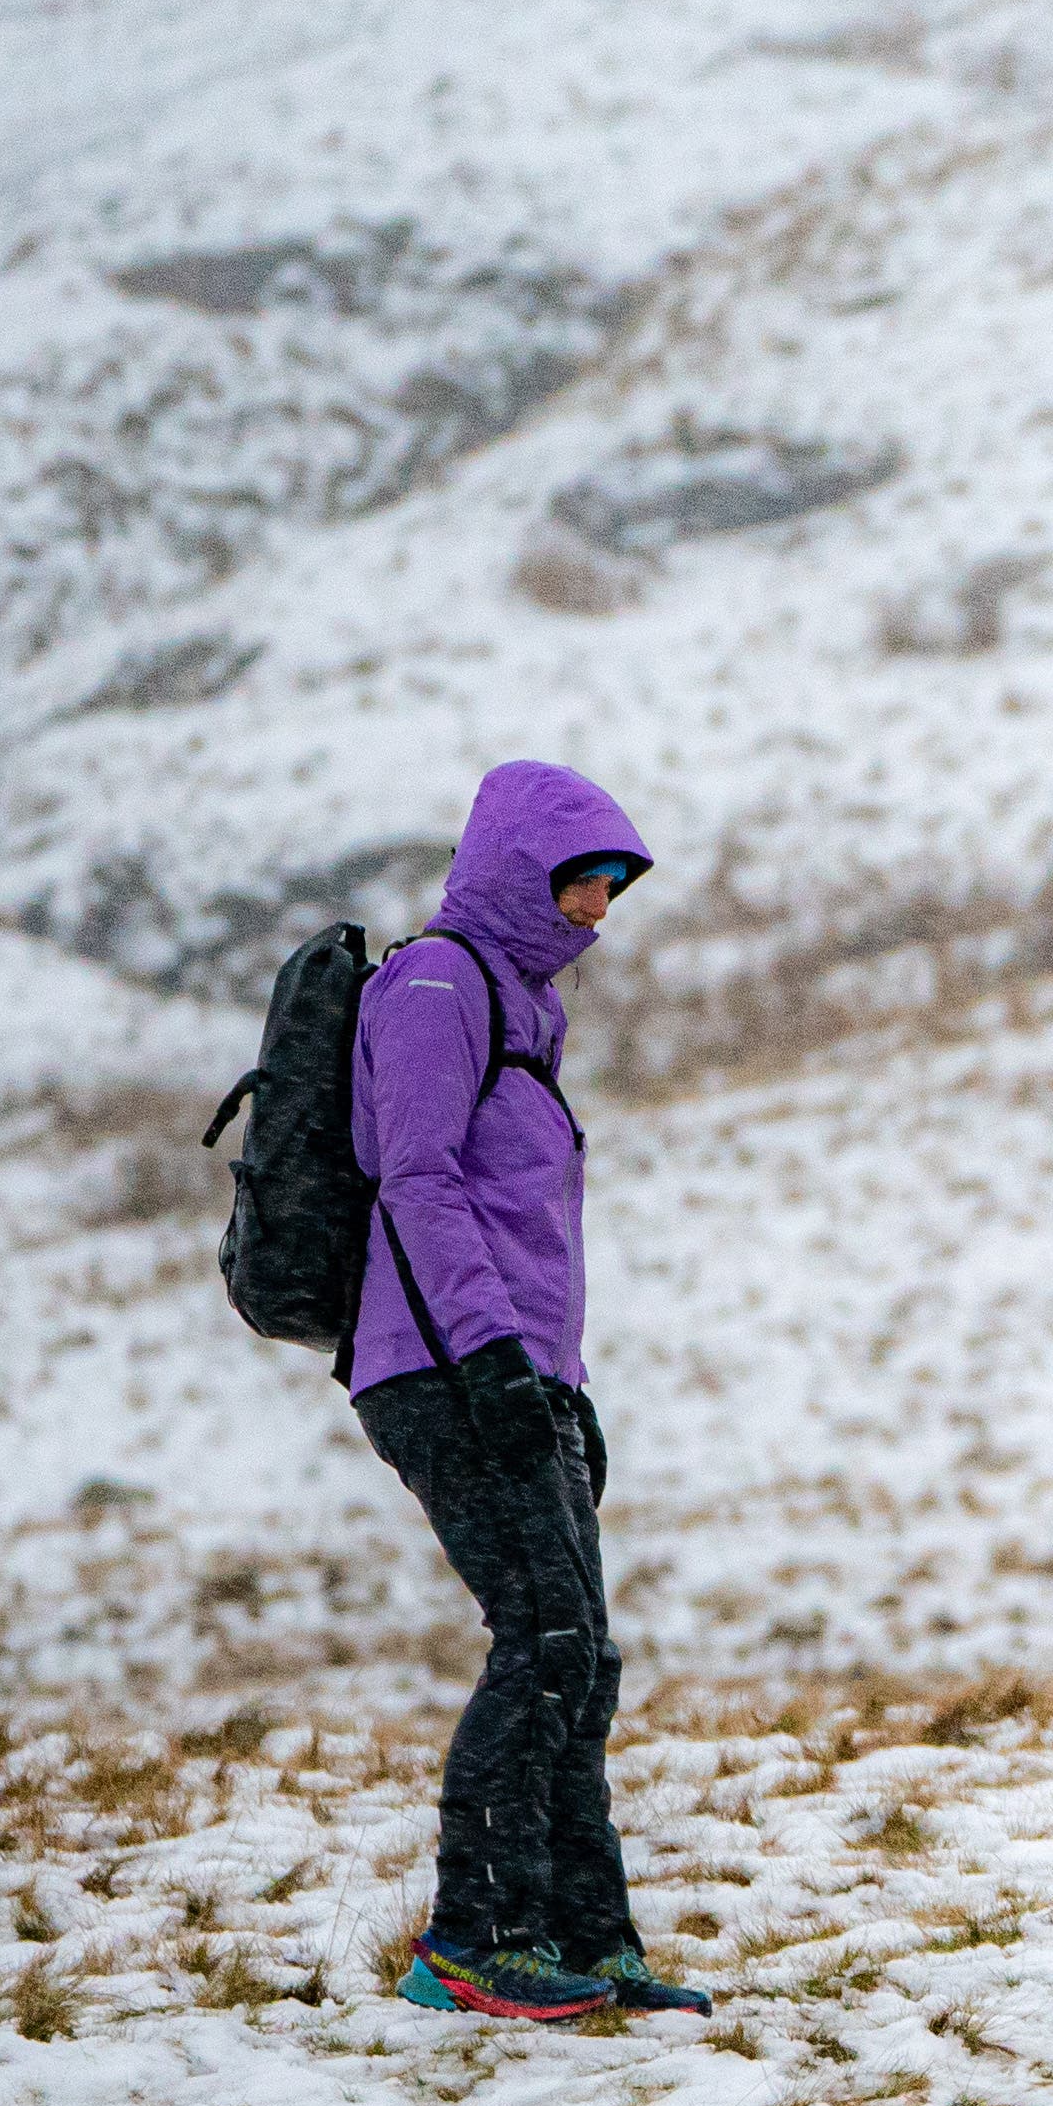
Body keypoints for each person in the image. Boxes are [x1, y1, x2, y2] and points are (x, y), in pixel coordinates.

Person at [351, 761, 706, 2023]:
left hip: (516, 1371)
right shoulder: (437, 984)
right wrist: (495, 1363)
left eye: (609, 889)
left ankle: (584, 1939)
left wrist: (561, 1387)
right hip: (448, 1367)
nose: (596, 911)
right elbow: (420, 1182)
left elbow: (519, 1219)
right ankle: (469, 1942)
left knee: (584, 1658)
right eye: (578, 882)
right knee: (546, 1639)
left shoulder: (517, 1005)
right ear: (517, 869)